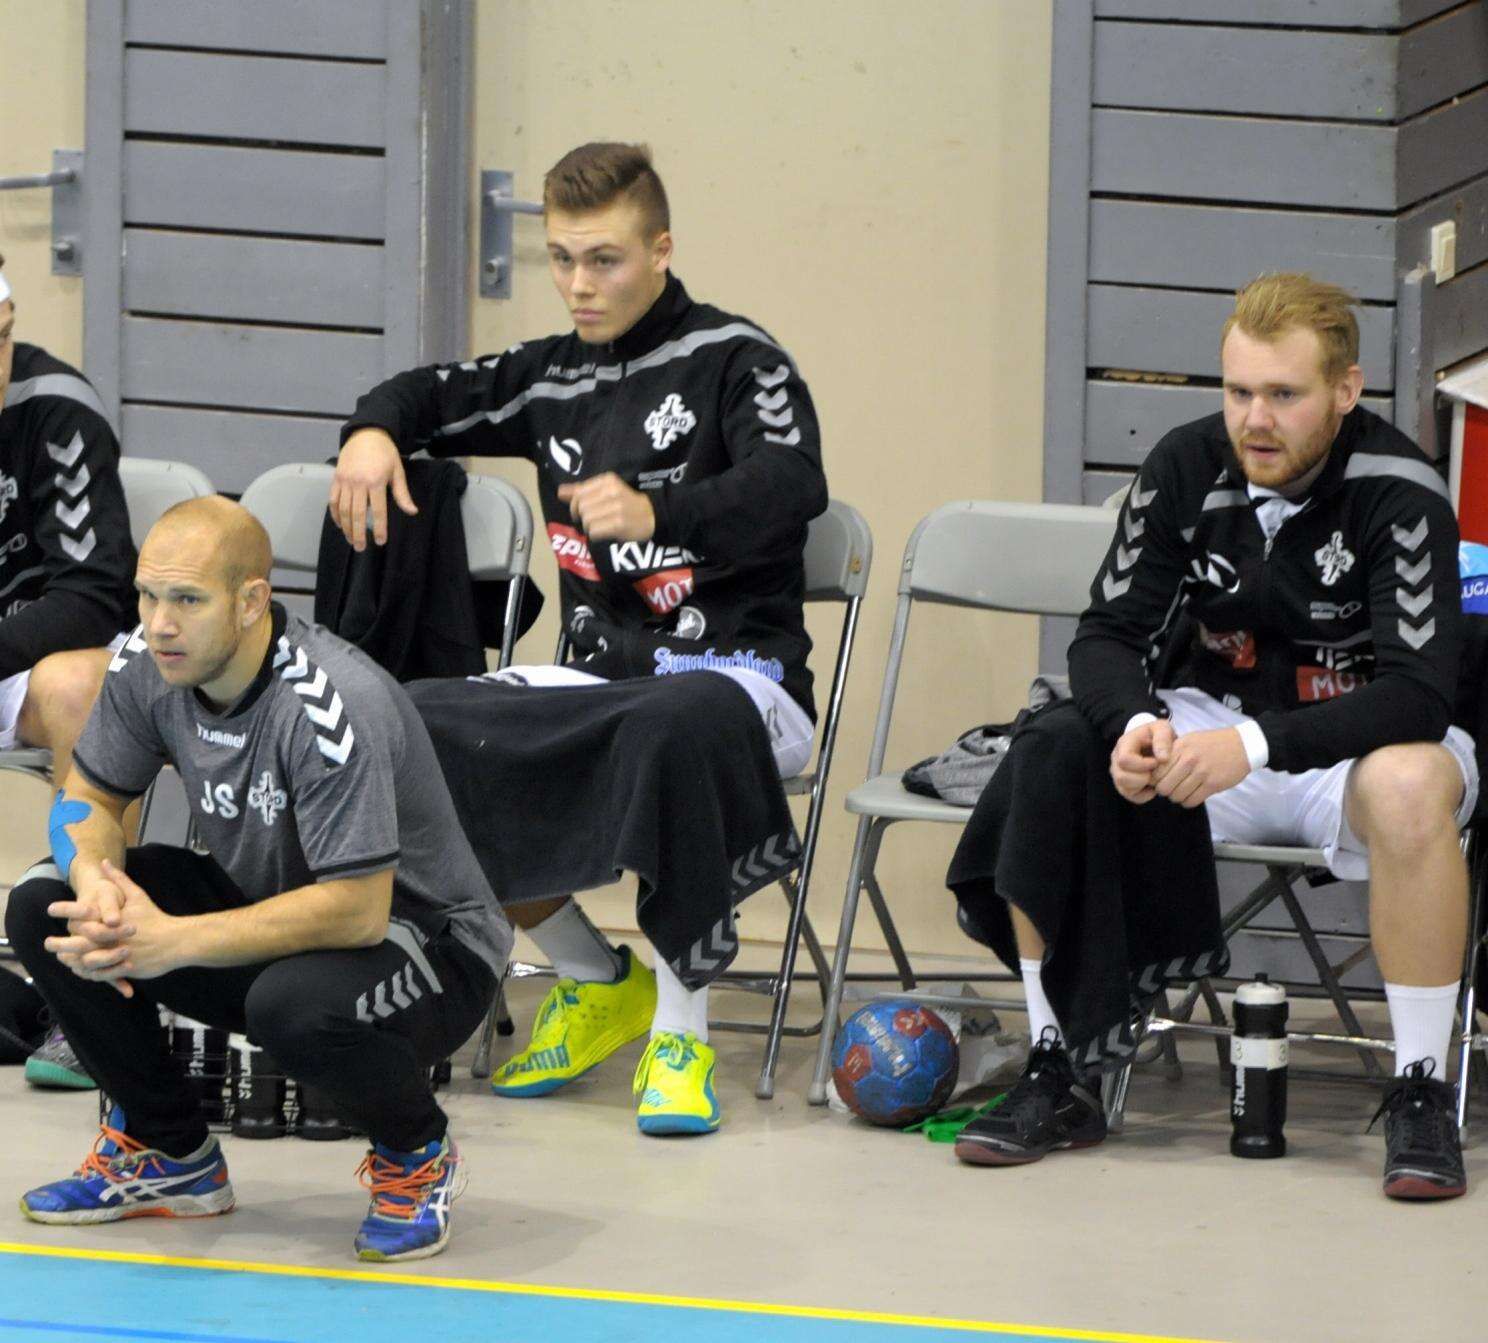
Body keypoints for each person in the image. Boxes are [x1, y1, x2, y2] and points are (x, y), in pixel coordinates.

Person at [330, 142, 826, 1135]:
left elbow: (794, 483)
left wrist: (660, 510)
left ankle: (681, 1033)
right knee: (417, 723)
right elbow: (421, 393)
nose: (578, 285)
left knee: (676, 721)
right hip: (599, 680)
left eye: (604, 259)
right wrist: (370, 434)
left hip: (736, 678)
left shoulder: (741, 359)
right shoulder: (550, 375)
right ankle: (596, 975)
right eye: (561, 259)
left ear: (661, 250)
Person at [952, 274, 1474, 1201]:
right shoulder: (1184, 465)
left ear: (1346, 390)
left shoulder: (1401, 490)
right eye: (1238, 391)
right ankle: (1058, 1066)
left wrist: (1259, 746)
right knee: (1055, 747)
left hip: (1353, 747)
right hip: (1214, 729)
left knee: (1410, 782)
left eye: (1284, 394)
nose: (1254, 420)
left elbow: (1419, 695)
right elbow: (1106, 635)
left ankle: (1423, 1088)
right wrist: (1133, 725)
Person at [3, 496, 512, 1261]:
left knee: (291, 1006)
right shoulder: (148, 663)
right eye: (147, 595)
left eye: (187, 600)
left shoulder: (330, 703)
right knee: (47, 903)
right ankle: (169, 1151)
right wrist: (97, 878)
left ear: (250, 601)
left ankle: (416, 1155)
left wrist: (173, 940)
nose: (160, 622)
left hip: (428, 945)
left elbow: (358, 911)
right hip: (273, 907)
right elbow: (92, 796)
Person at [0, 253, 140, 1090]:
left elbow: (92, 597)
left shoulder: (58, 412)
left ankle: (84, 996)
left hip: (27, 660)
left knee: (80, 685)